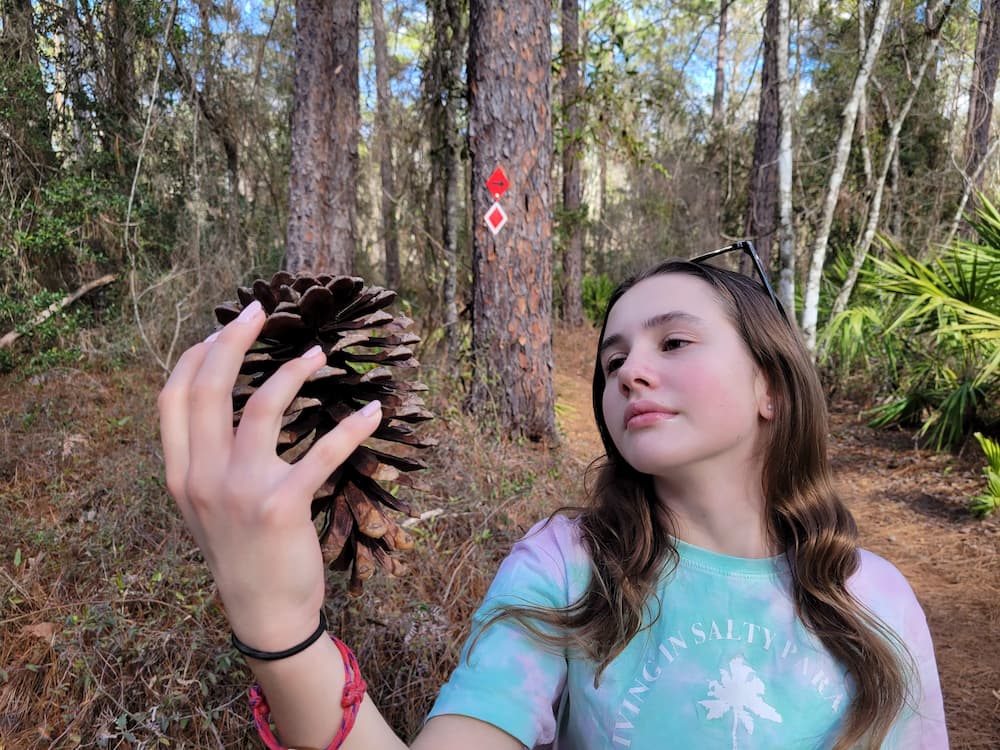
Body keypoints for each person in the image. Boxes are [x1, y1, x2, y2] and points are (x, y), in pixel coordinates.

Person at [158, 244, 948, 750]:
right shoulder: (569, 564)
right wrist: (284, 632)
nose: (630, 369)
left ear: (770, 385)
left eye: (673, 342)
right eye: (612, 360)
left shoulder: (877, 599)